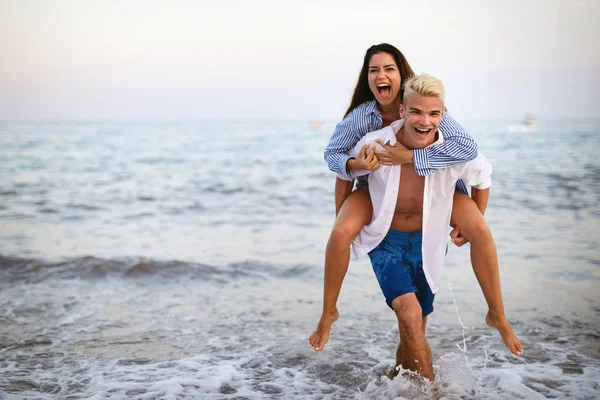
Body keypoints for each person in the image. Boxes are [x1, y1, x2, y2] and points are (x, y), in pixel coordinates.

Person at [308, 44, 522, 357]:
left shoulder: (429, 108)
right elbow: (335, 158)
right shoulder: (362, 119)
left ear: (401, 74)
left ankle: (497, 314)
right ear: (367, 78)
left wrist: (410, 157)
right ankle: (329, 312)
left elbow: (467, 151)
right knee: (341, 232)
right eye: (374, 70)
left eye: (389, 68)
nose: (381, 75)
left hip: (435, 188)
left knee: (477, 234)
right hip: (375, 189)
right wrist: (357, 169)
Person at [347, 73, 507, 379]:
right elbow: (345, 170)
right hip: (386, 241)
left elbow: (481, 174)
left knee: (416, 322)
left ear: (443, 115)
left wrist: (473, 219)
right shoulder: (377, 142)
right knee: (409, 315)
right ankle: (432, 392)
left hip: (428, 243)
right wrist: (344, 214)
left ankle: (397, 377)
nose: (424, 120)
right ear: (403, 111)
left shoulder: (451, 151)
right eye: (416, 112)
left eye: (433, 113)